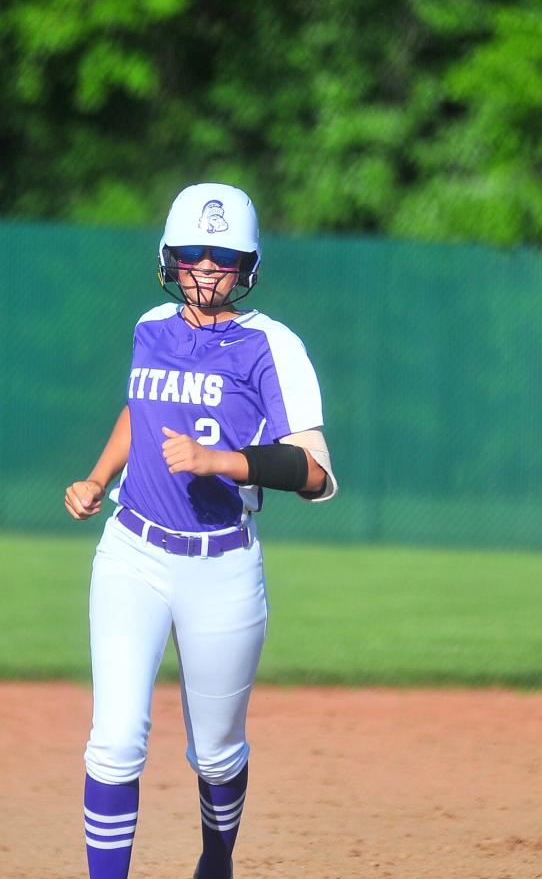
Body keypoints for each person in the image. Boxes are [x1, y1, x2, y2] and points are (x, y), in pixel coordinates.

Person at [64, 183, 338, 879]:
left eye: (223, 257)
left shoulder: (271, 345)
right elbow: (139, 407)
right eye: (193, 255)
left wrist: (223, 460)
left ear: (247, 264)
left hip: (220, 566)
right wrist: (98, 477)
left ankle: (216, 859)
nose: (207, 270)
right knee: (114, 742)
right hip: (132, 551)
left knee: (216, 751)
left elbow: (313, 471)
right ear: (170, 258)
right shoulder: (150, 326)